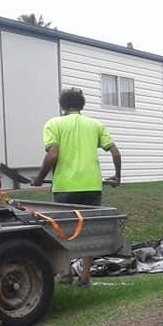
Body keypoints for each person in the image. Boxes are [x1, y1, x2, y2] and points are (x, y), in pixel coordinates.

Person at [32, 88, 121, 286]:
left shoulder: (53, 124)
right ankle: (85, 277)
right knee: (88, 231)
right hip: (92, 186)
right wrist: (117, 176)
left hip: (65, 187)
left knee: (64, 231)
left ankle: (66, 275)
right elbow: (115, 153)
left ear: (62, 105)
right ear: (82, 105)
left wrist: (39, 178)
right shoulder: (95, 125)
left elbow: (53, 155)